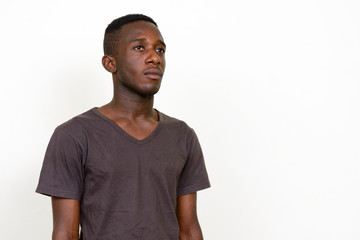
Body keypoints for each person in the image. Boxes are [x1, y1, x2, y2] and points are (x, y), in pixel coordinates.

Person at [36, 14, 210, 240]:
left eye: (160, 50)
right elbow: (65, 233)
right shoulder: (73, 135)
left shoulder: (182, 136)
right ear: (110, 63)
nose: (154, 58)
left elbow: (189, 230)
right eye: (139, 47)